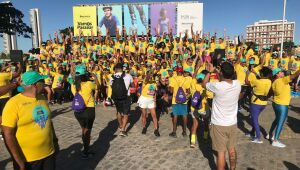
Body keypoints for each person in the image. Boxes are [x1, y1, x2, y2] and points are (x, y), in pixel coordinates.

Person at [2, 71, 58, 170]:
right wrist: (18, 161)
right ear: (36, 84)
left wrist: (55, 141)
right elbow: (7, 134)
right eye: (42, 81)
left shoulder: (42, 98)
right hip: (28, 159)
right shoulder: (13, 103)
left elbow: (48, 121)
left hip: (49, 154)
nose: (45, 84)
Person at [202, 62, 241, 170]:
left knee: (221, 153)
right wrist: (217, 71)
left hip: (219, 124)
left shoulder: (217, 86)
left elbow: (204, 84)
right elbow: (224, 80)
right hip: (232, 123)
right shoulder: (237, 84)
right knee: (232, 150)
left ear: (222, 73)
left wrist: (210, 71)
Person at [71, 64, 100, 159]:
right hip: (89, 110)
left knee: (84, 130)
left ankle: (86, 148)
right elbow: (98, 86)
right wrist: (95, 76)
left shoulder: (73, 85)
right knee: (87, 132)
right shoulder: (89, 84)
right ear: (85, 75)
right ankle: (86, 152)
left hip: (78, 111)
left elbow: (72, 76)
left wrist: (73, 69)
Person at [267, 68, 300, 148]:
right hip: (282, 105)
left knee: (277, 120)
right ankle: (275, 140)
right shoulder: (282, 80)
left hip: (275, 103)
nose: (282, 73)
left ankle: (270, 134)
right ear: (277, 74)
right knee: (280, 122)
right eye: (281, 72)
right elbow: (295, 75)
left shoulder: (274, 81)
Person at [245, 67, 272, 143]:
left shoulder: (257, 81)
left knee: (254, 120)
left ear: (262, 74)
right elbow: (262, 77)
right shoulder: (269, 81)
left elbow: (247, 82)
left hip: (255, 103)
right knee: (255, 118)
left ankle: (258, 137)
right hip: (264, 103)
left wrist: (247, 74)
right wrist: (256, 73)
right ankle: (252, 133)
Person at [0, 62, 22, 141]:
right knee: (5, 116)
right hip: (4, 98)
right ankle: (6, 132)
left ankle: (2, 132)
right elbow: (17, 74)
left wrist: (8, 66)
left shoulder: (2, 74)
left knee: (0, 116)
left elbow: (2, 69)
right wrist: (19, 66)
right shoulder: (3, 75)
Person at [110, 63, 133, 137]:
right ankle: (123, 130)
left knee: (119, 111)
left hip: (116, 97)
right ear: (122, 68)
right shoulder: (128, 75)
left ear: (116, 69)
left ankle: (120, 125)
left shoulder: (112, 76)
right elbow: (132, 85)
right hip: (126, 96)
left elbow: (111, 86)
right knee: (126, 113)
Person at [168, 67, 191, 138]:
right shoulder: (185, 79)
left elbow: (171, 91)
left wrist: (169, 88)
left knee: (175, 116)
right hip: (183, 100)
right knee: (184, 115)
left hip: (175, 100)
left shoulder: (173, 79)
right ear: (182, 72)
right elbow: (188, 91)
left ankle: (174, 132)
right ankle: (184, 132)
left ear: (177, 72)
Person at [137, 70, 160, 137]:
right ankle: (144, 127)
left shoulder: (154, 82)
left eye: (151, 74)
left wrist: (155, 102)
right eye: (149, 74)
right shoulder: (145, 80)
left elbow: (155, 92)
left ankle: (156, 130)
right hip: (144, 99)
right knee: (144, 114)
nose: (151, 75)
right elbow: (147, 78)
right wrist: (149, 74)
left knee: (154, 115)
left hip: (151, 100)